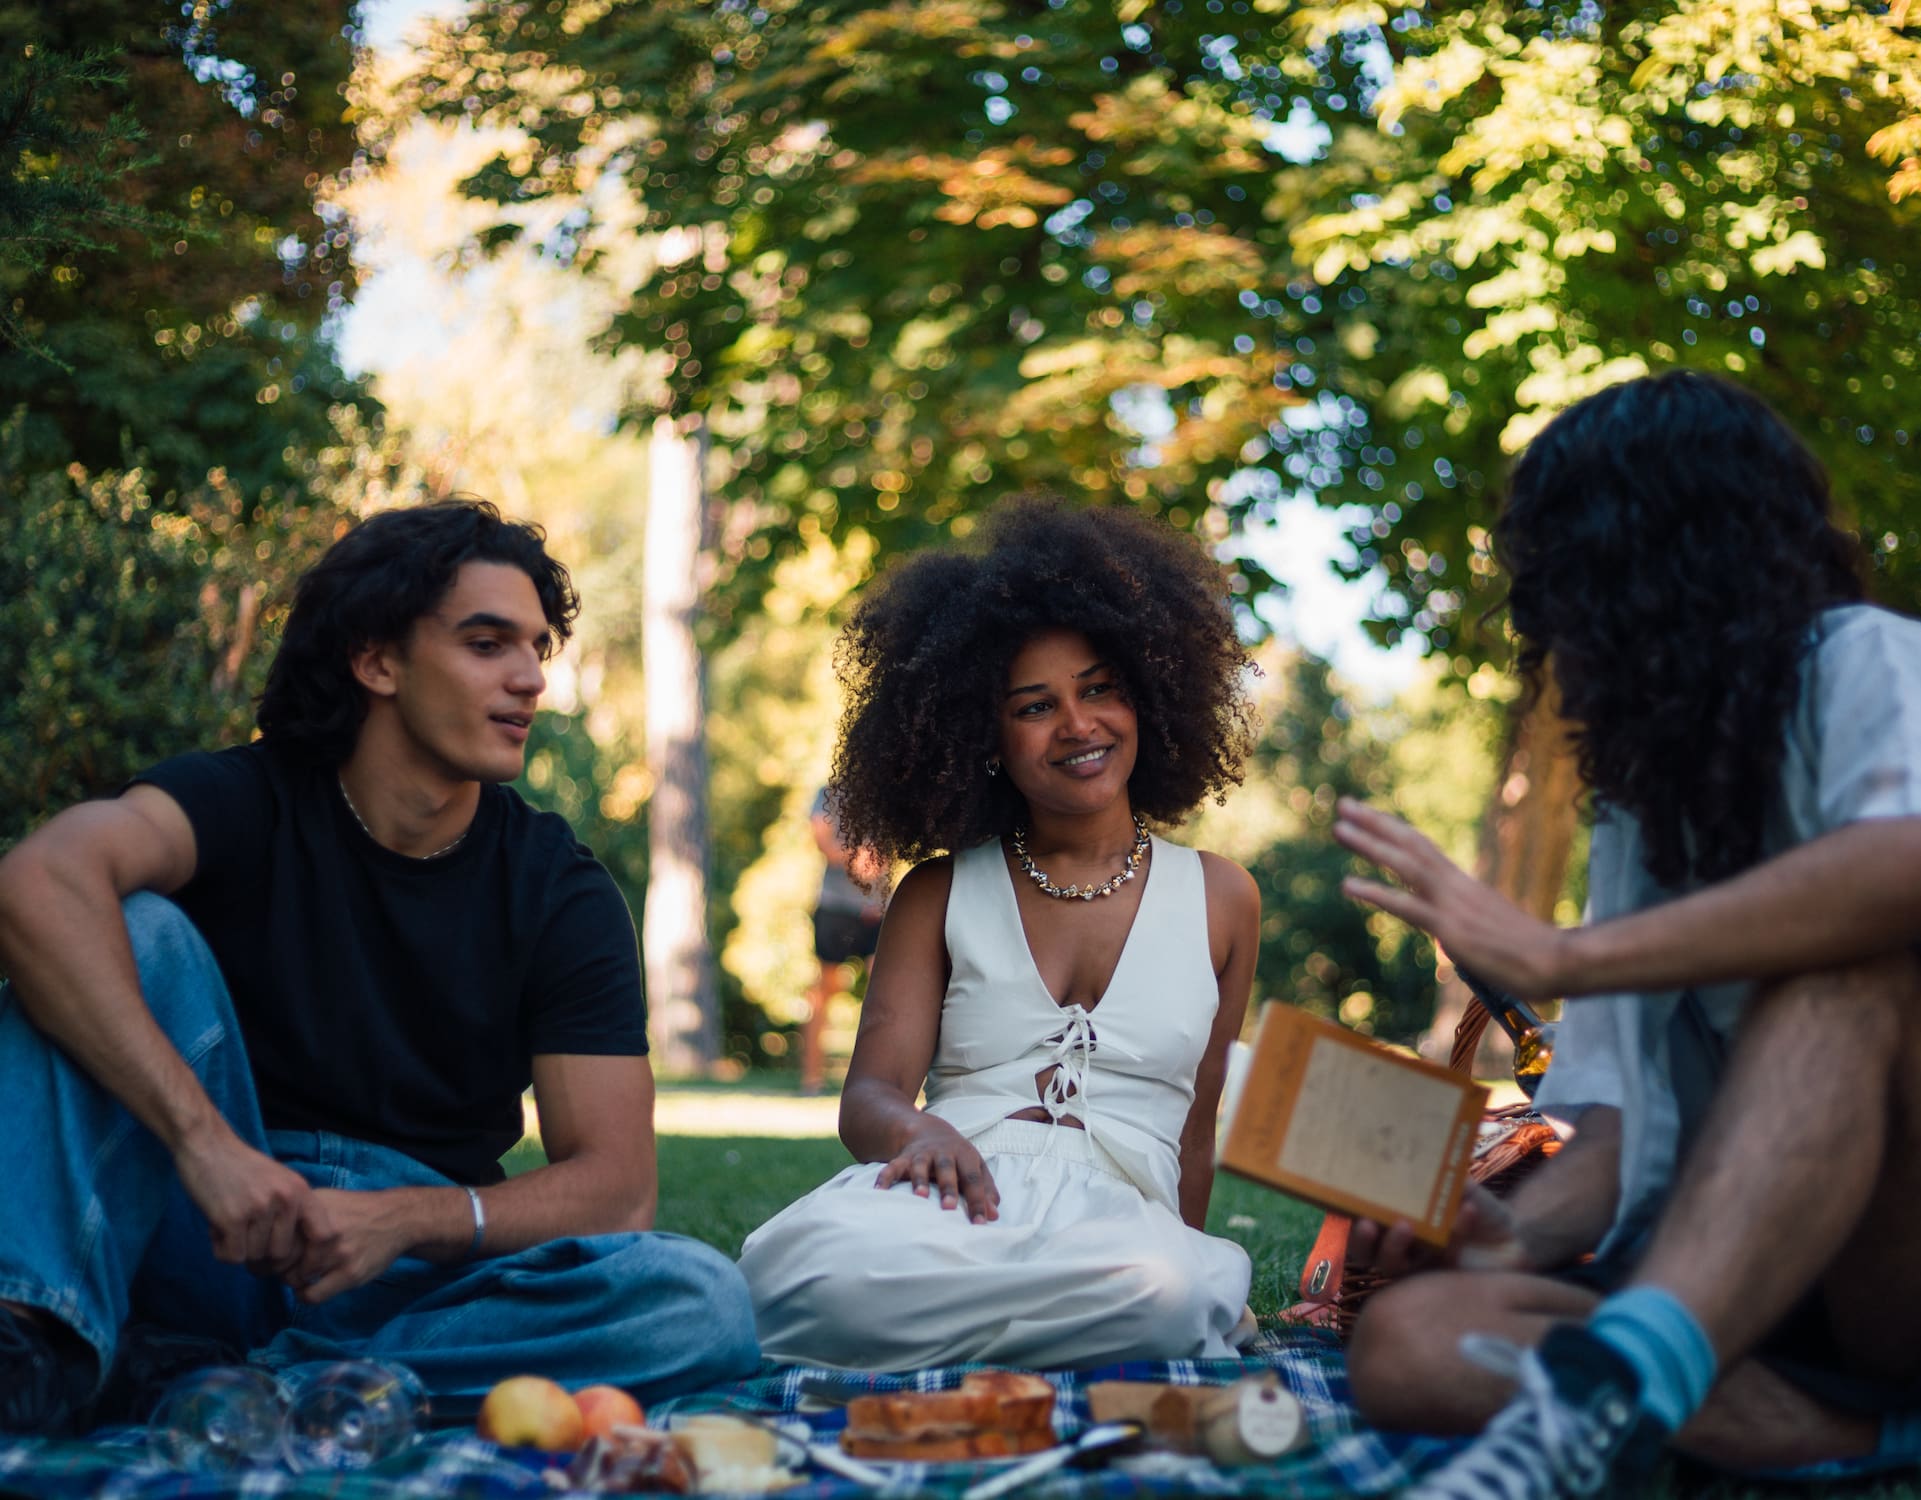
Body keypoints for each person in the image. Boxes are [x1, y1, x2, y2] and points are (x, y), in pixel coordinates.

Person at [1327, 371, 1921, 1499]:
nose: (1544, 624)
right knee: (1407, 1343)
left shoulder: (1864, 660)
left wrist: (1558, 957)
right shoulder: (1645, 801)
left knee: (1840, 967)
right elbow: (1618, 1121)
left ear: (1649, 569)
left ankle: (1618, 1385)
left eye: (1559, 578)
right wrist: (1514, 1239)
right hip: (1752, 1279)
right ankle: (1848, 1430)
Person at [0, 500, 759, 1432]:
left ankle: (223, 1379)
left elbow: (618, 1187)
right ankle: (35, 1334)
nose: (529, 680)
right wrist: (208, 1148)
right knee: (137, 927)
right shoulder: (242, 800)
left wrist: (404, 1220)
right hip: (206, 1222)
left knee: (698, 1301)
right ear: (378, 660)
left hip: (412, 1280)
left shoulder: (559, 887)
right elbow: (37, 880)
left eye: (537, 649)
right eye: (488, 644)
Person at [738, 499, 1263, 1370]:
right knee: (794, 1275)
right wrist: (919, 1137)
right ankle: (1062, 1345)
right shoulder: (937, 892)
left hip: (1123, 1235)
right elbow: (869, 1098)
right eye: (1035, 706)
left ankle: (986, 1343)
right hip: (947, 1198)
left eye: (1100, 689)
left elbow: (1197, 1126)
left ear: (1148, 696)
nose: (1079, 726)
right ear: (985, 737)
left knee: (1166, 1290)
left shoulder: (1222, 897)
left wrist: (1191, 1254)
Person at [798, 787, 885, 1095]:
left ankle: (884, 1077)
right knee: (823, 991)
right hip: (835, 908)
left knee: (886, 991)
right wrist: (856, 858)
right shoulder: (826, 793)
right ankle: (812, 1079)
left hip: (875, 909)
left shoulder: (885, 795)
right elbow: (823, 842)